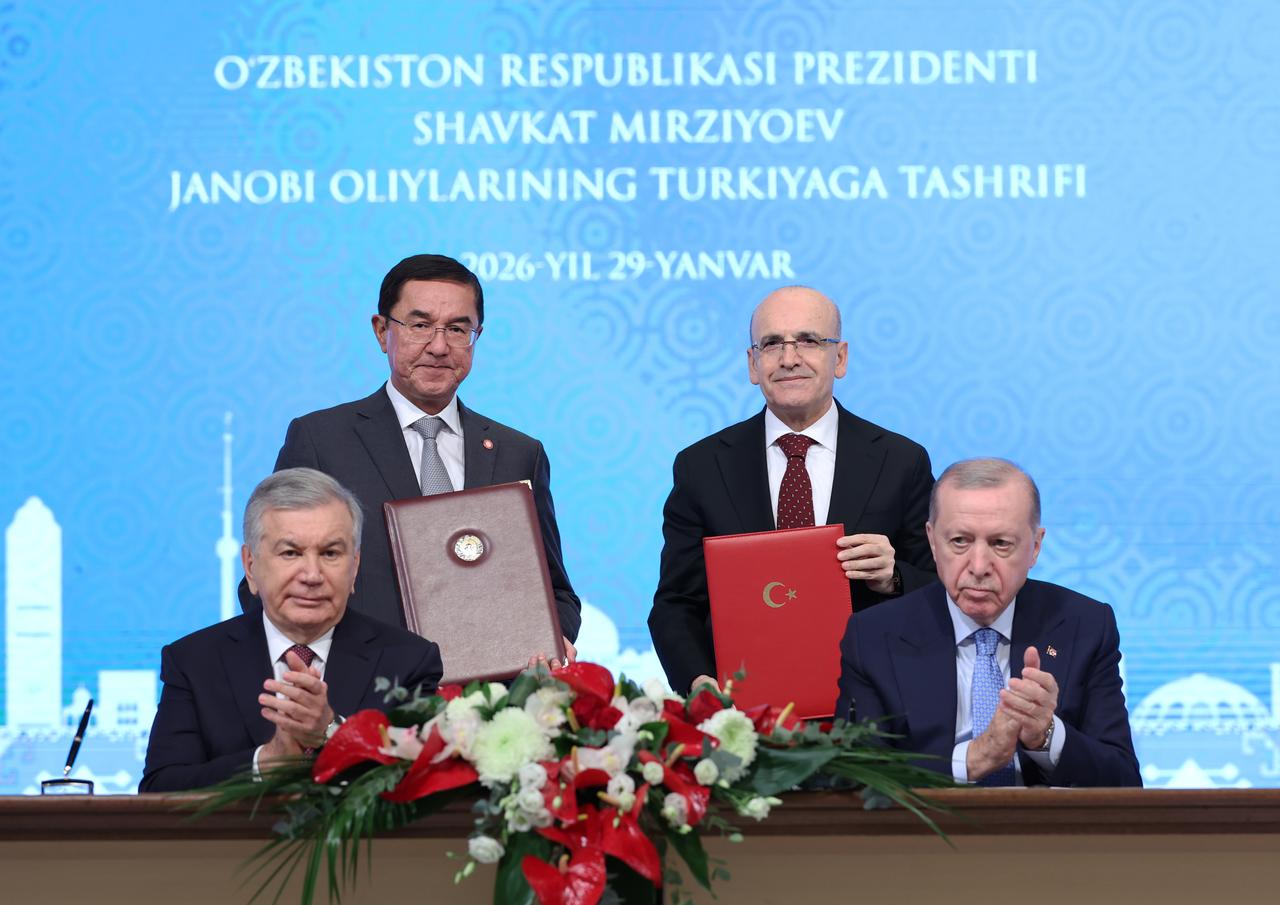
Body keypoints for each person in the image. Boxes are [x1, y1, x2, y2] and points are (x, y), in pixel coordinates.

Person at [239, 254, 580, 664]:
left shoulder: (518, 453)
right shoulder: (322, 440)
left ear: (477, 336)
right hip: (359, 692)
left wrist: (550, 639)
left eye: (458, 329)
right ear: (382, 331)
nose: (439, 346)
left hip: (488, 696)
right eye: (420, 325)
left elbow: (556, 592)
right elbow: (267, 580)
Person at [649, 286, 936, 695]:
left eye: (808, 340)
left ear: (840, 358)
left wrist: (895, 577)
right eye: (771, 344)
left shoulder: (901, 461)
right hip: (745, 710)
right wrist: (700, 685)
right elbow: (676, 604)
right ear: (753, 364)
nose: (789, 359)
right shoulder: (702, 467)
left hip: (873, 707)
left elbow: (945, 589)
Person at [835, 458, 1142, 787]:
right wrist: (974, 760)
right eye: (960, 541)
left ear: (1035, 547)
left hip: (1044, 820)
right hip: (927, 819)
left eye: (1001, 544)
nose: (979, 566)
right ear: (933, 542)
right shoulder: (873, 635)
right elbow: (855, 778)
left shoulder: (1085, 625)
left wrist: (1046, 735)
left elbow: (1123, 782)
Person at [142, 468, 443, 793]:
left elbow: (427, 786)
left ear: (354, 567)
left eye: (330, 553)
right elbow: (161, 790)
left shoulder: (409, 660)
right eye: (291, 553)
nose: (312, 575)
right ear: (250, 566)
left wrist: (331, 731)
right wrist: (268, 762)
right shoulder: (194, 661)